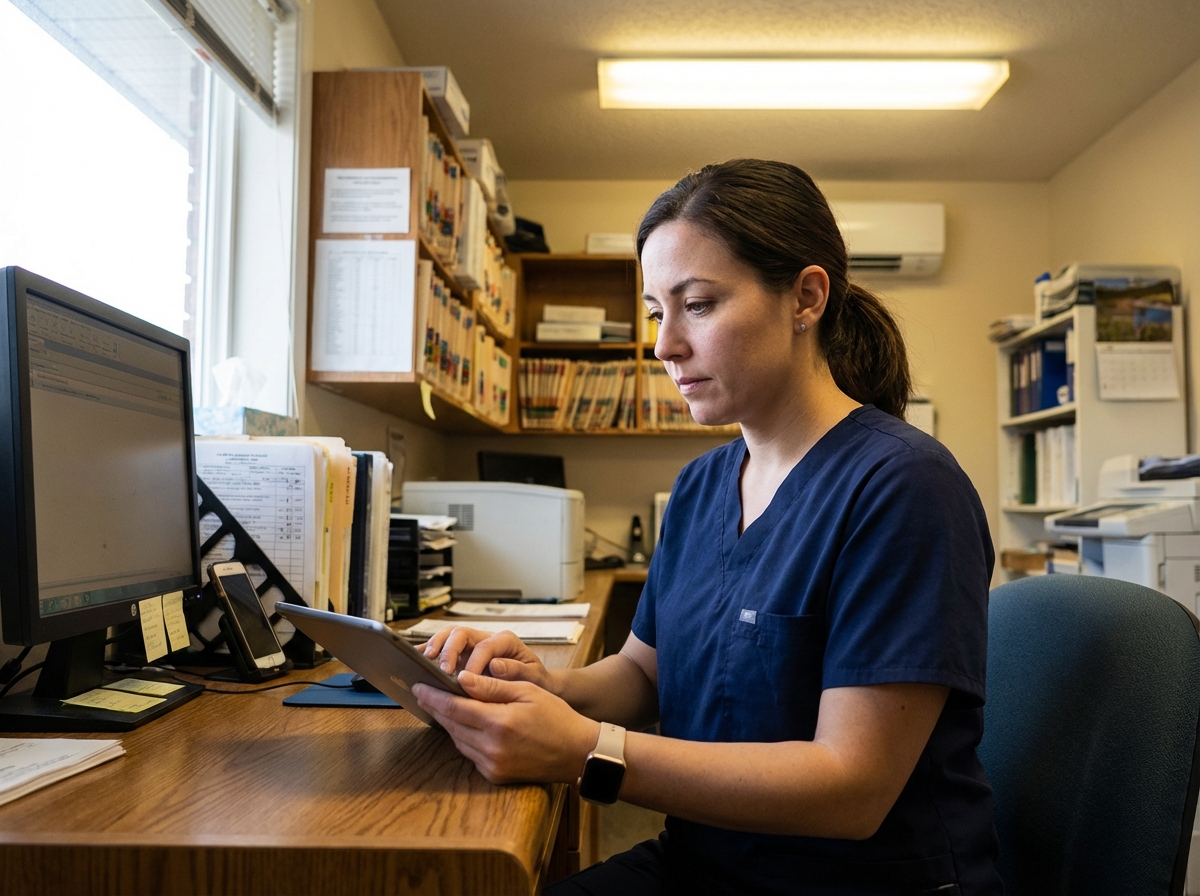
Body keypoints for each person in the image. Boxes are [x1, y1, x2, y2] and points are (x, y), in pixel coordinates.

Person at [413, 159, 1001, 895]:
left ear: (806, 298)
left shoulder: (904, 487)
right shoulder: (700, 487)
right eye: (656, 313)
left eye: (697, 304)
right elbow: (643, 674)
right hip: (706, 862)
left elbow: (852, 787)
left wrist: (588, 751)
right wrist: (544, 686)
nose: (664, 346)